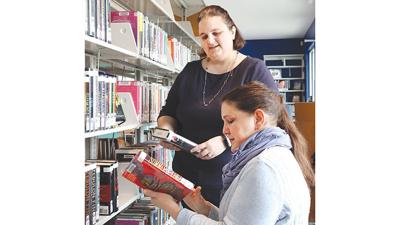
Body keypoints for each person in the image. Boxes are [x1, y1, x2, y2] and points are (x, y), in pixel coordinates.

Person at [157, 5, 278, 207]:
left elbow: (271, 124)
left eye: (216, 33)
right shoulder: (190, 70)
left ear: (232, 32)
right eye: (204, 36)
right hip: (186, 178)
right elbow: (168, 112)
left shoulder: (254, 70)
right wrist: (166, 130)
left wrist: (225, 141)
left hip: (233, 178)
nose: (210, 41)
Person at [145, 81, 315, 225]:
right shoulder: (277, 153)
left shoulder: (263, 167)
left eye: (230, 121)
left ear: (258, 119)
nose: (224, 130)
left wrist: (173, 210)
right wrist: (204, 209)